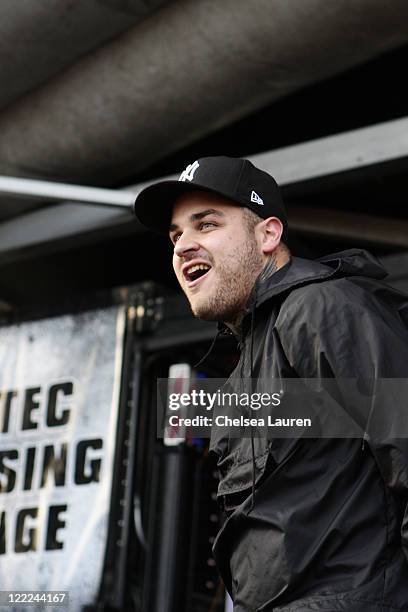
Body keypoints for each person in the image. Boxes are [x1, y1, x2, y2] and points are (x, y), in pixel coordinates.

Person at [134, 156, 408, 611]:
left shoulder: (320, 308)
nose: (183, 246)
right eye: (176, 234)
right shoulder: (250, 361)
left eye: (206, 225)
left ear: (268, 234)